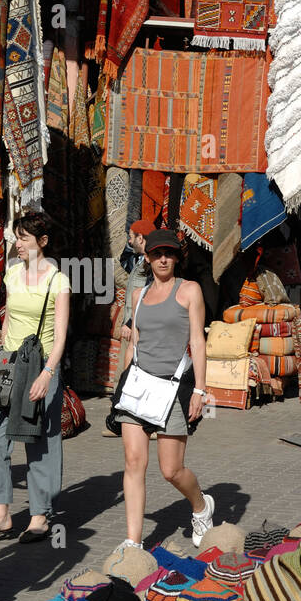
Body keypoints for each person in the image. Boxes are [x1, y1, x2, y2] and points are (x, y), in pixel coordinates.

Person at [0, 211, 71, 545]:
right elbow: (8, 319)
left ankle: (40, 516)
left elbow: (60, 337)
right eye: (16, 237)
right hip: (8, 366)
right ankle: (1, 512)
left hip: (41, 366)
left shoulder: (57, 280)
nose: (18, 244)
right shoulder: (12, 274)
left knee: (40, 442)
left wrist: (48, 373)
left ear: (42, 242)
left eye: (24, 238)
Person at [115, 228, 215, 549]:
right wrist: (123, 384)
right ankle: (133, 542)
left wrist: (200, 390)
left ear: (176, 258)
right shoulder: (138, 295)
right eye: (157, 254)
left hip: (173, 389)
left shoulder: (189, 291)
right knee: (133, 462)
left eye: (169, 254)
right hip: (138, 387)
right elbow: (135, 342)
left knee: (171, 469)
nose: (163, 259)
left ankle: (201, 506)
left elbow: (198, 341)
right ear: (147, 257)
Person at [103, 219, 155, 438]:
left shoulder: (151, 264)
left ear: (141, 238)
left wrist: (130, 323)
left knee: (139, 375)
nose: (128, 240)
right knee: (124, 376)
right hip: (132, 329)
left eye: (132, 236)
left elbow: (149, 294)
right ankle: (121, 420)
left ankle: (149, 423)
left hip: (140, 330)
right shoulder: (140, 261)